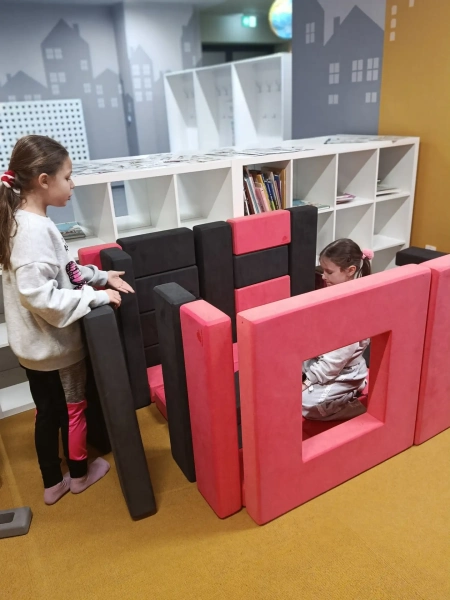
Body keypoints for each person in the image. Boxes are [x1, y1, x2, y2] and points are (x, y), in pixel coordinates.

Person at [0, 135, 134, 505]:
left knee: (47, 411)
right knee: (73, 410)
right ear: (43, 181)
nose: (72, 184)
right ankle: (78, 476)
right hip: (55, 348)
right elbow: (40, 296)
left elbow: (66, 272)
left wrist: (101, 276)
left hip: (34, 349)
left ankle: (51, 482)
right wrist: (96, 296)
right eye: (68, 177)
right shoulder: (33, 231)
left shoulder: (24, 221)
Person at [302, 239, 374, 421]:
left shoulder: (353, 313)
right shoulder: (331, 292)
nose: (323, 276)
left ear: (350, 271)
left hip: (344, 372)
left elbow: (335, 361)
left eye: (329, 272)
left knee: (306, 406)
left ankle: (353, 400)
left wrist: (306, 381)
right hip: (322, 361)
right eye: (323, 270)